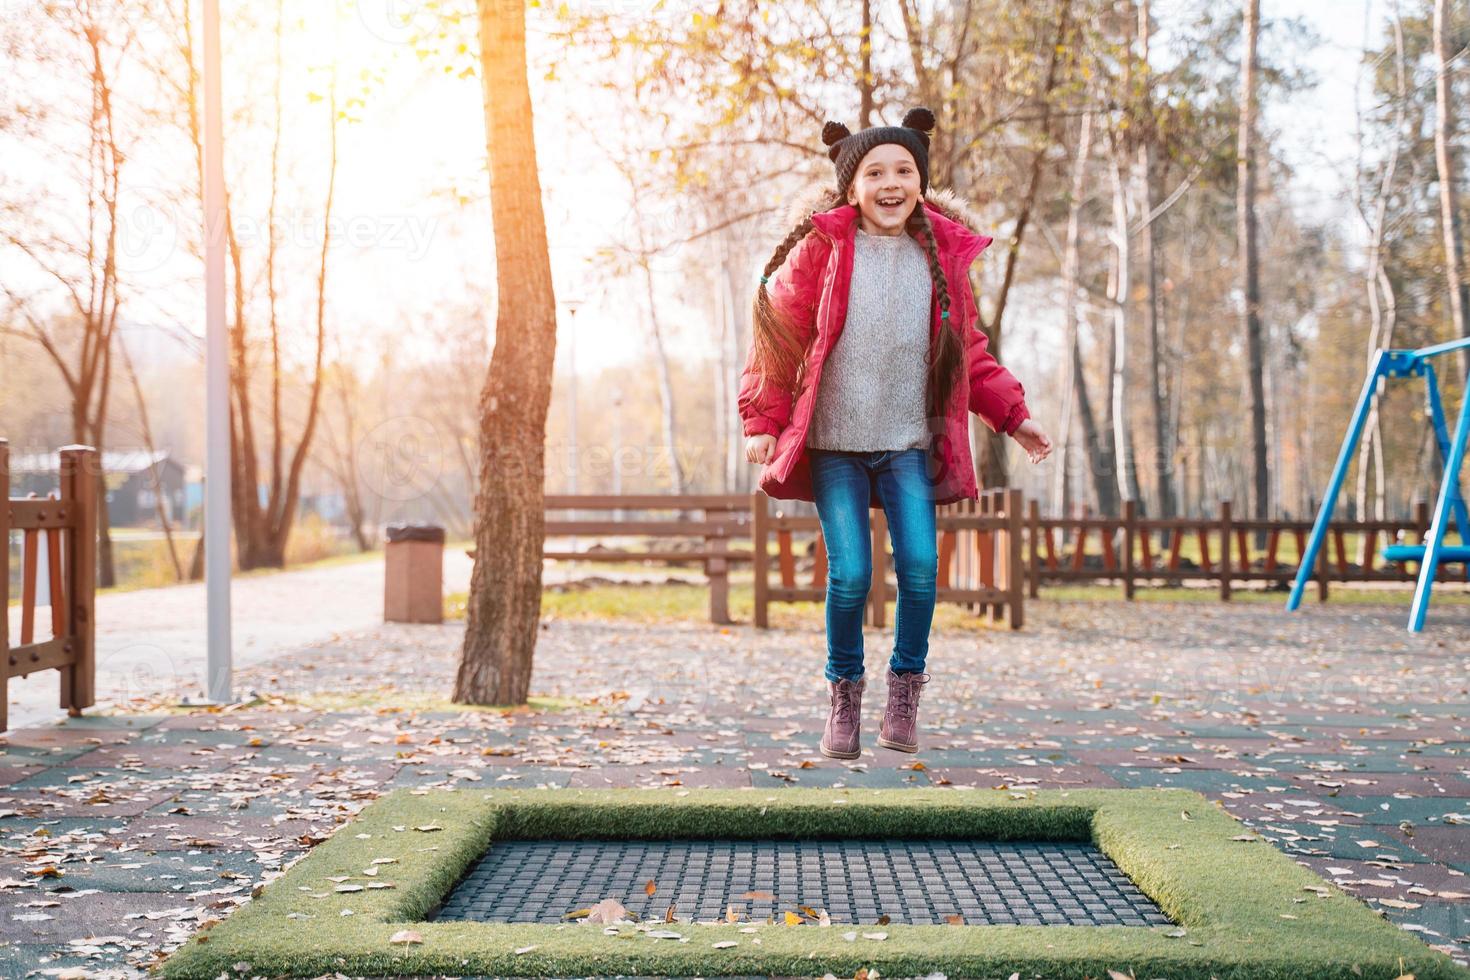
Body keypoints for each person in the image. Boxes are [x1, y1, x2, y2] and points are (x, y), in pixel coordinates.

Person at [737, 106, 1053, 760]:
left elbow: (969, 351)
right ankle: (844, 693)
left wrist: (1014, 417)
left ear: (921, 180)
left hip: (909, 443)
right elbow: (777, 339)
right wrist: (761, 421)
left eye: (904, 170)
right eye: (875, 171)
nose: (890, 182)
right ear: (851, 185)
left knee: (918, 568)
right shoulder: (822, 251)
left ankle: (905, 690)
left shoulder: (940, 256)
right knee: (850, 574)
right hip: (835, 448)